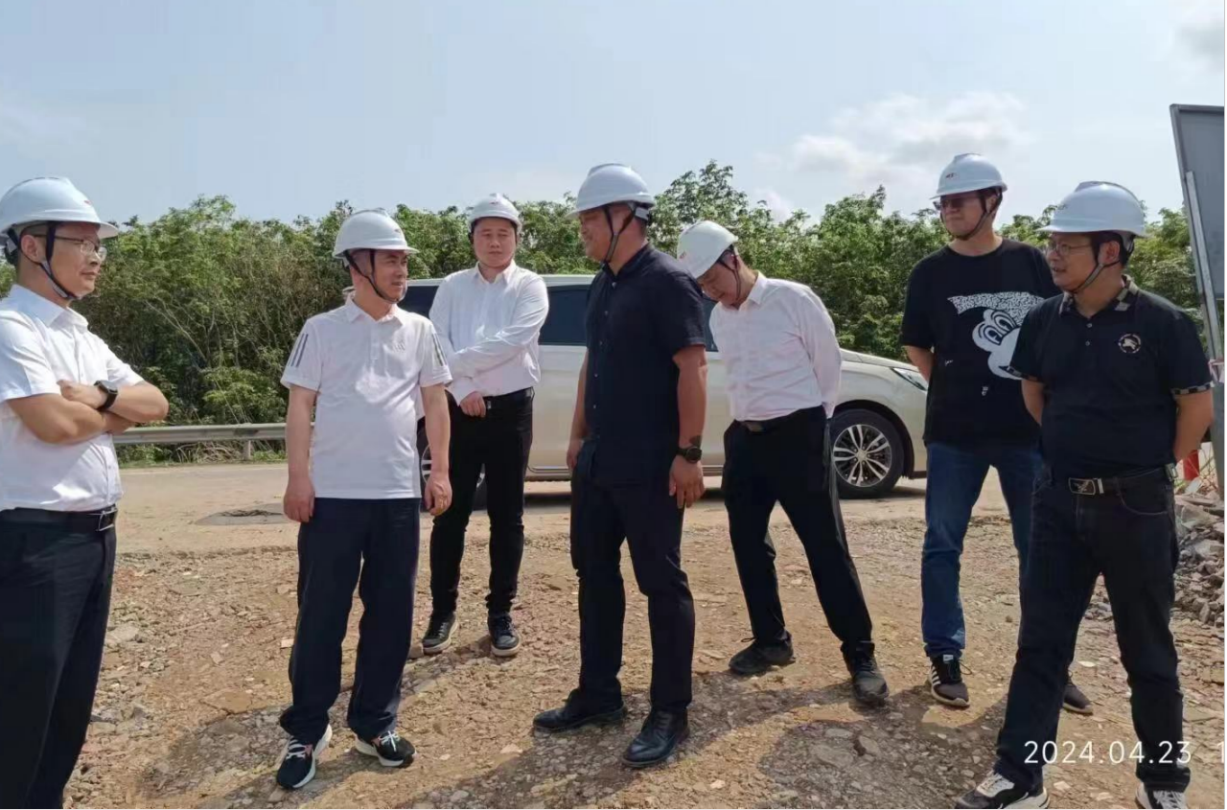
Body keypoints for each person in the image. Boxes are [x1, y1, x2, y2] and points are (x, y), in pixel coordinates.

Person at [957, 182, 1214, 810]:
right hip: (1058, 502)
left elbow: (1196, 410)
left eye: (1066, 245)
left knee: (1148, 649)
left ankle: (1162, 782)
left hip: (1137, 506)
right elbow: (1035, 393)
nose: (1052, 255)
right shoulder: (1045, 319)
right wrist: (1074, 454)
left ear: (1112, 250)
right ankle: (1020, 777)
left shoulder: (1164, 323)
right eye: (1051, 243)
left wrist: (1144, 465)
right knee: (1042, 643)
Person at [0, 177, 170, 809]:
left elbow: (155, 403)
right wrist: (110, 414)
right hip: (34, 544)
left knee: (67, 709)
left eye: (101, 245)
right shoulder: (12, 328)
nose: (97, 257)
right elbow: (52, 423)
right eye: (83, 242)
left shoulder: (82, 337)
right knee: (21, 713)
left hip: (94, 540)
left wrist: (98, 396)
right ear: (31, 246)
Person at [901, 154, 1089, 715]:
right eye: (943, 202)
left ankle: (1048, 664)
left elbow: (1063, 331)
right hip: (953, 433)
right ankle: (945, 656)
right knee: (942, 544)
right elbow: (916, 344)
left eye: (959, 200)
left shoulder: (1033, 263)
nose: (949, 210)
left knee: (1041, 550)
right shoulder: (930, 273)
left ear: (993, 201)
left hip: (1025, 433)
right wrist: (954, 388)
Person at [533, 164, 707, 769]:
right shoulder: (602, 284)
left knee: (661, 583)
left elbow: (692, 367)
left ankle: (670, 711)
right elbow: (593, 361)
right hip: (600, 459)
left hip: (651, 462)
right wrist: (577, 434)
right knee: (595, 574)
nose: (581, 228)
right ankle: (600, 694)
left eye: (589, 218)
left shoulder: (668, 281)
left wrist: (689, 454)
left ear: (624, 217)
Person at [676, 220, 889, 708]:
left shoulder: (793, 299)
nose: (710, 291)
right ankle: (771, 640)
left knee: (825, 545)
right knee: (748, 542)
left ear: (733, 258)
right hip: (745, 438)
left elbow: (828, 367)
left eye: (713, 278)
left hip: (800, 434)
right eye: (702, 285)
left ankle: (860, 655)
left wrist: (814, 424)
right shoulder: (720, 318)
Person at [275, 209, 453, 790]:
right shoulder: (322, 329)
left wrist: (440, 471)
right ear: (357, 264)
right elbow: (300, 405)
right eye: (391, 260)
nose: (402, 270)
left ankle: (375, 723)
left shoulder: (419, 330)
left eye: (404, 260)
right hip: (332, 497)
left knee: (391, 616)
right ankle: (307, 730)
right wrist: (298, 479)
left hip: (396, 496)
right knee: (320, 615)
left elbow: (435, 403)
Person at [424, 193, 548, 658]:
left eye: (503, 234)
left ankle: (500, 613)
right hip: (458, 410)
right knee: (449, 513)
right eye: (486, 234)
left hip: (511, 413)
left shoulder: (530, 286)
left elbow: (513, 342)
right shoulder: (452, 286)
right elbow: (435, 339)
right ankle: (442, 612)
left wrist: (456, 369)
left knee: (507, 516)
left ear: (517, 238)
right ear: (472, 238)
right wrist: (461, 389)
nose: (495, 242)